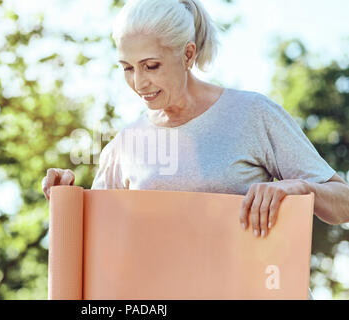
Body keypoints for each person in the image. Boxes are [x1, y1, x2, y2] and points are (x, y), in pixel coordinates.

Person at [42, 0, 349, 296]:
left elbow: (343, 203)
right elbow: (99, 253)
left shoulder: (253, 114)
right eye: (127, 68)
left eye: (151, 66)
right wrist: (67, 197)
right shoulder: (125, 145)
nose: (139, 82)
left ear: (188, 55)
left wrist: (298, 188)